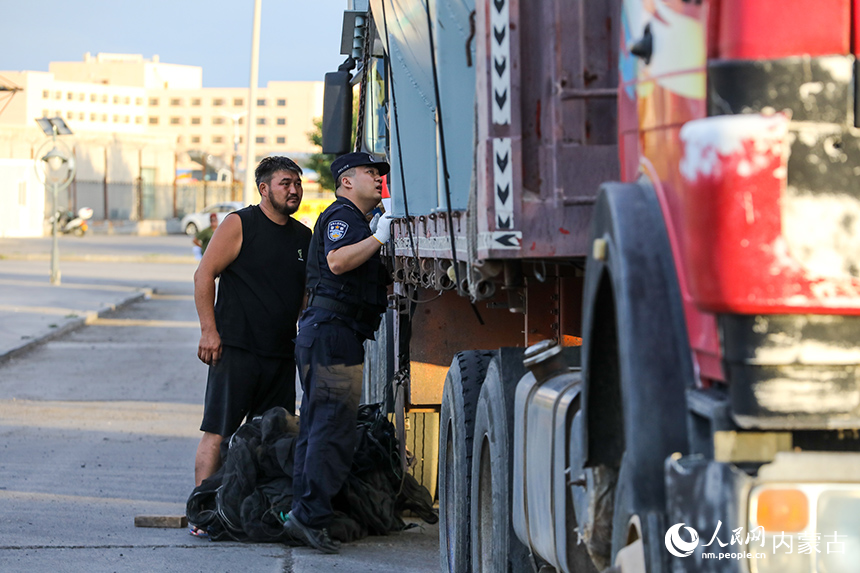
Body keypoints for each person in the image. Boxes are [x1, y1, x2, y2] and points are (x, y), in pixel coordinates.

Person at [283, 152, 393, 553]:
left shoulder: (360, 221)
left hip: (332, 333)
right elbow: (338, 261)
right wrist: (380, 237)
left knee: (319, 426)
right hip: (331, 333)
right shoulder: (344, 217)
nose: (379, 178)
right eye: (370, 172)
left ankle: (305, 511)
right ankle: (308, 516)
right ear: (347, 181)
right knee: (331, 426)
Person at [192, 156, 312, 494]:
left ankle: (251, 507)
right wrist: (209, 331)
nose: (294, 190)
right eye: (285, 183)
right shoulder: (240, 224)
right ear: (264, 188)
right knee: (218, 430)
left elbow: (304, 295)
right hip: (236, 349)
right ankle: (202, 507)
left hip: (280, 354)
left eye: (297, 184)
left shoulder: (304, 236)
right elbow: (204, 275)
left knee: (273, 435)